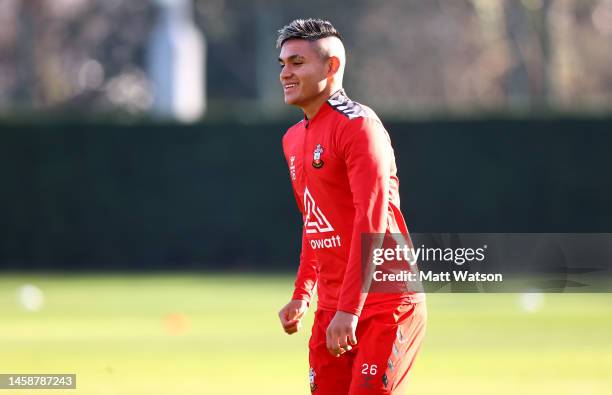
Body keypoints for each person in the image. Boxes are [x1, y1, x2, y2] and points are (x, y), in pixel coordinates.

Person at [276, 18, 427, 395]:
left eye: (297, 63)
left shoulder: (359, 126)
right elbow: (315, 222)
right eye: (282, 64)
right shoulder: (293, 139)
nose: (285, 73)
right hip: (333, 307)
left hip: (384, 302)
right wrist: (303, 293)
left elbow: (370, 220)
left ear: (331, 67)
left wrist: (350, 310)